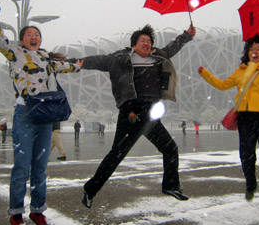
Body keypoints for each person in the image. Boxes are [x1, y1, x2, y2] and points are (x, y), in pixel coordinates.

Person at [0, 0, 82, 225]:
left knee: (40, 168)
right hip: (26, 113)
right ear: (21, 39)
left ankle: (38, 211)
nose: (34, 37)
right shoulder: (14, 53)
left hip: (45, 116)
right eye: (29, 34)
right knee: (22, 167)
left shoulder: (47, 58)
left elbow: (66, 67)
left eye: (37, 34)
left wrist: (78, 64)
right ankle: (16, 214)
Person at [70, 24, 196, 208]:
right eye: (142, 40)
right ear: (133, 44)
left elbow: (172, 48)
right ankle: (90, 190)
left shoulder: (157, 56)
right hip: (131, 113)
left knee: (170, 149)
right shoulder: (121, 58)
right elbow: (98, 60)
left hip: (151, 114)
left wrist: (186, 35)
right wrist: (76, 62)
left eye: (149, 41)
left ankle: (171, 186)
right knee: (116, 156)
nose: (146, 43)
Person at [197, 33, 259, 203]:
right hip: (245, 118)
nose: (255, 51)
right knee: (246, 155)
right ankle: (251, 185)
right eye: (252, 49)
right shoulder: (240, 73)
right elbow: (221, 85)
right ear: (247, 53)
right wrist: (205, 73)